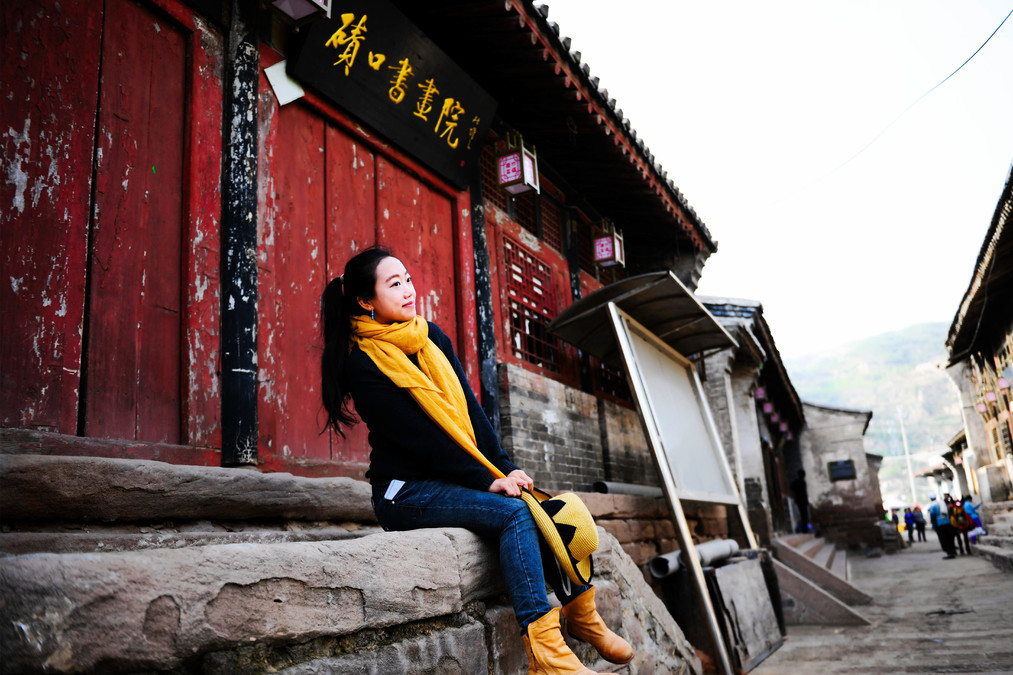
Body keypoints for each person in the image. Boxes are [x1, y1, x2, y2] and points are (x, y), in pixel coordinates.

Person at [320, 247, 633, 675]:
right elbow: (420, 439)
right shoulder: (363, 363)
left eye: (408, 279)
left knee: (535, 505)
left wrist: (505, 468)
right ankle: (547, 654)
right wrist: (485, 479)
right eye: (394, 284)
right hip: (404, 491)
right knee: (515, 514)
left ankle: (581, 614)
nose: (409, 290)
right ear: (364, 300)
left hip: (450, 478)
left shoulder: (430, 337)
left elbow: (471, 411)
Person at [928, 494, 957, 559]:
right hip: (948, 523)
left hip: (939, 524)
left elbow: (932, 516)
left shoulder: (932, 505)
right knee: (949, 537)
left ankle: (949, 553)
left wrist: (934, 526)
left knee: (943, 539)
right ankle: (953, 551)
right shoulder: (942, 503)